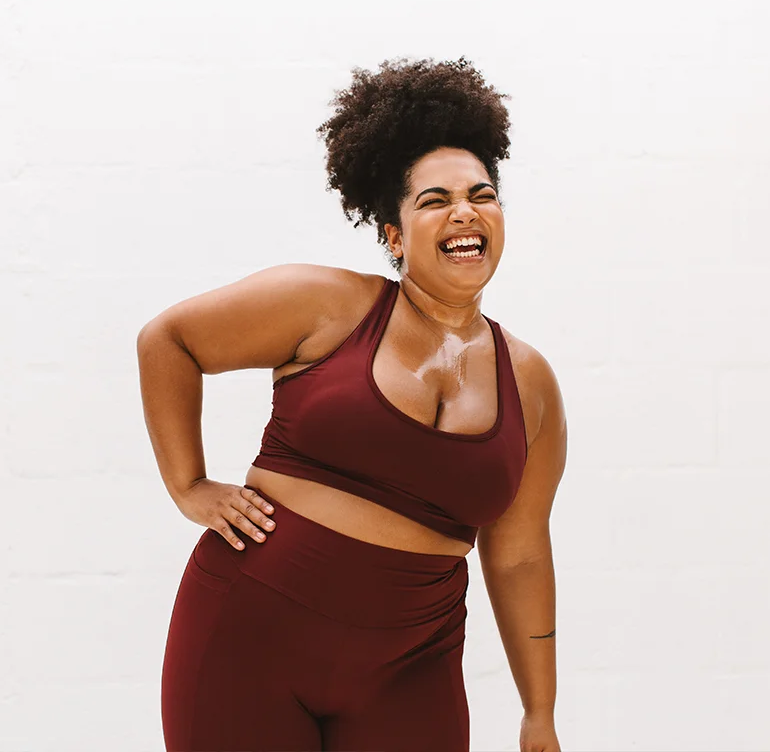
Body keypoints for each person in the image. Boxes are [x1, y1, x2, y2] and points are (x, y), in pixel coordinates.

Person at [137, 55, 567, 752]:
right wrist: (188, 485)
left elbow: (517, 555)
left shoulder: (531, 382)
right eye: (435, 200)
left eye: (482, 194)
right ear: (394, 235)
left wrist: (538, 709)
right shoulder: (326, 305)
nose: (465, 210)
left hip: (411, 669)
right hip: (249, 639)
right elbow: (170, 340)